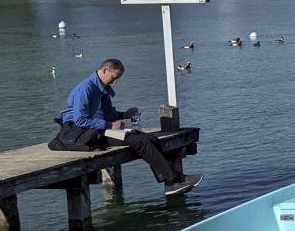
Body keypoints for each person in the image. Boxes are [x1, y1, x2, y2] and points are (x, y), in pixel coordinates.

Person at [49, 58, 203, 197]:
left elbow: (108, 114)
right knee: (139, 141)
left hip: (98, 129)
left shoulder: (102, 88)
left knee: (150, 138)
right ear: (104, 70)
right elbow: (81, 120)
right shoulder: (86, 89)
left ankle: (172, 182)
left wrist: (124, 115)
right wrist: (110, 125)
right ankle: (175, 180)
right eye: (114, 77)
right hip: (83, 135)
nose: (115, 81)